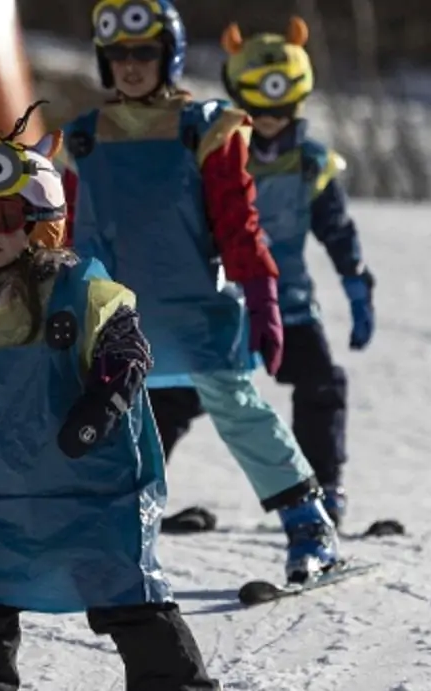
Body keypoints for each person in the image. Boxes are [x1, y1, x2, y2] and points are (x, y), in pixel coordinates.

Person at [0, 99, 220, 691]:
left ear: (40, 216)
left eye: (5, 216)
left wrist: (100, 406)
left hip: (94, 494)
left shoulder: (79, 290)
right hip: (11, 505)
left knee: (134, 607)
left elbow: (128, 354)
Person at [57, 0, 339, 582]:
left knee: (240, 411)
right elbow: (70, 235)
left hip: (194, 310)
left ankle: (309, 526)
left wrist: (262, 297)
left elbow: (239, 223)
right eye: (119, 55)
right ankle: (108, 536)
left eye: (144, 53)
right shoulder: (84, 138)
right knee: (113, 427)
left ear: (169, 55)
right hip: (115, 321)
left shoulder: (204, 127)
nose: (131, 66)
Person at [149, 17, 376, 530]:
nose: (271, 120)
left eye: (283, 108)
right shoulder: (217, 155)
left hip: (289, 304)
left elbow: (337, 230)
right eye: (260, 110)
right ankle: (132, 497)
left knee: (322, 385)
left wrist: (357, 282)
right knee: (174, 396)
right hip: (223, 304)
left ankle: (324, 492)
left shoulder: (310, 164)